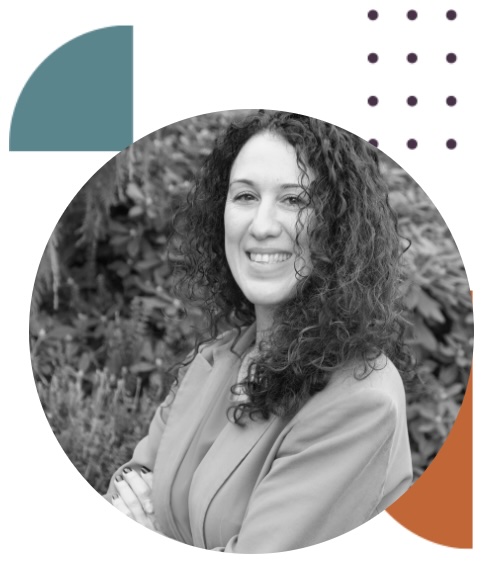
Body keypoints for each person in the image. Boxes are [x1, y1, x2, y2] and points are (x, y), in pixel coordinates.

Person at [105, 111, 413, 553]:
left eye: (294, 200)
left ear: (338, 226)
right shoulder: (215, 359)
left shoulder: (362, 402)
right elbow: (126, 490)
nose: (262, 225)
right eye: (246, 196)